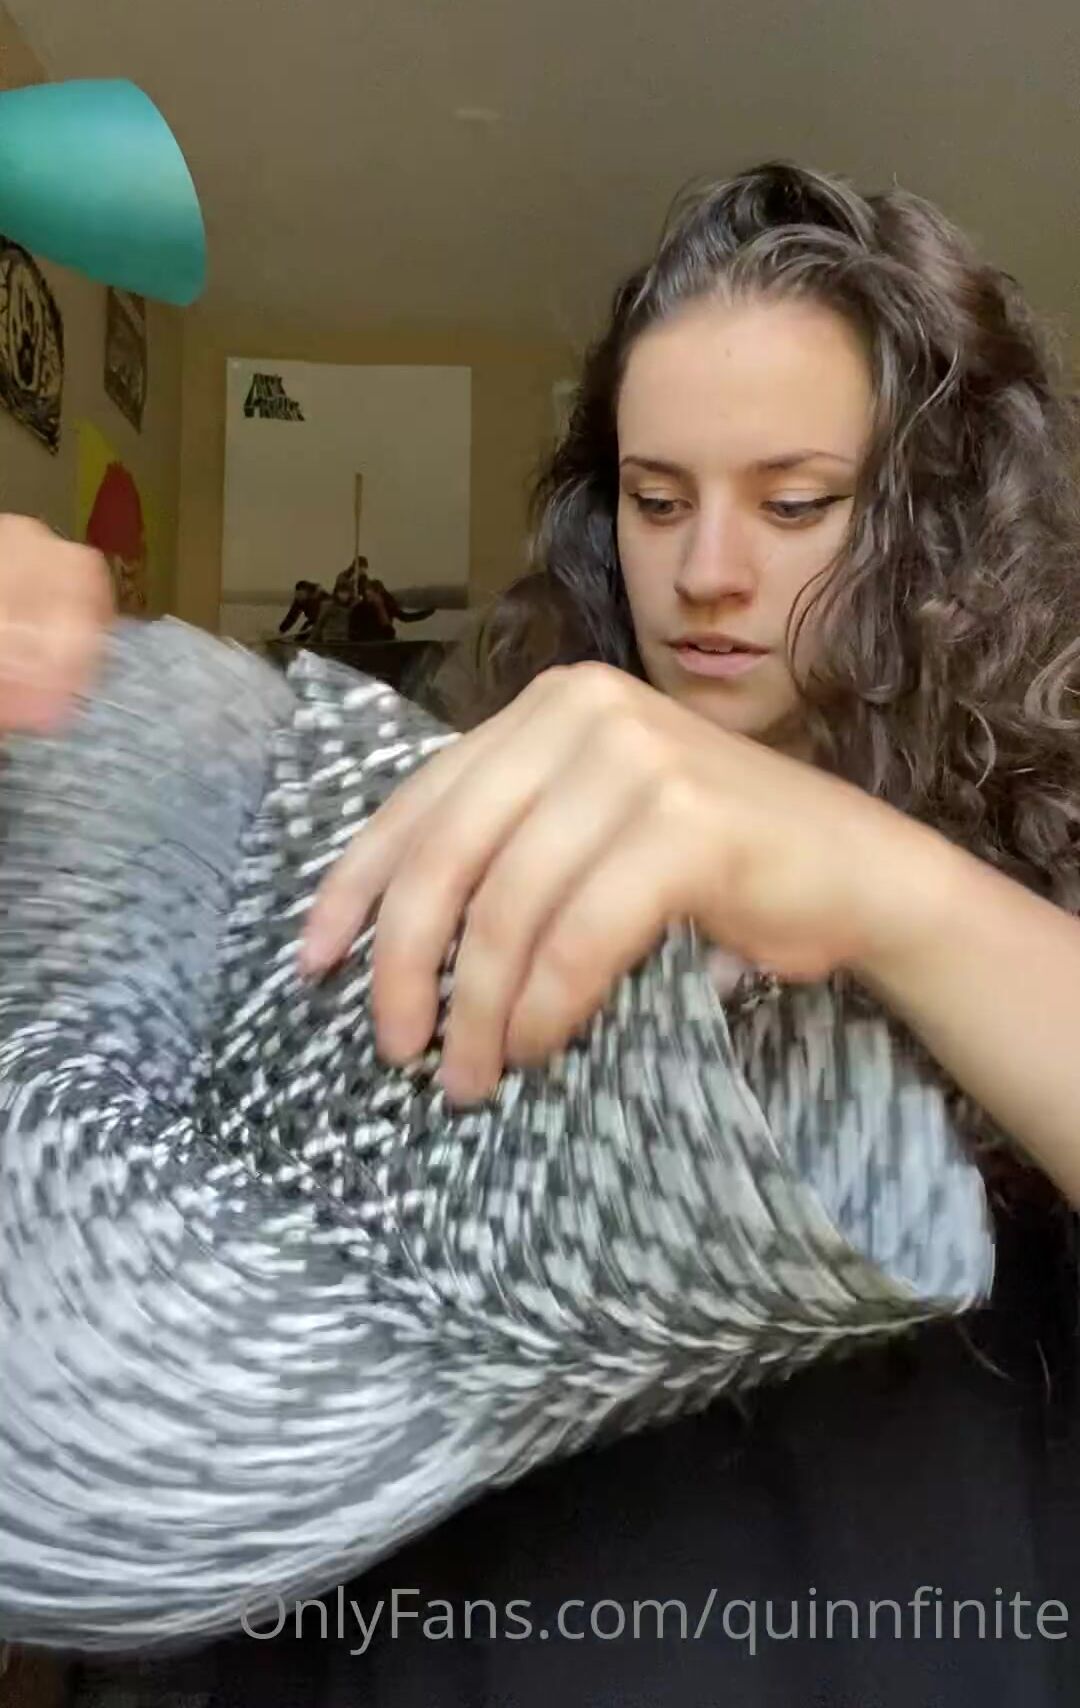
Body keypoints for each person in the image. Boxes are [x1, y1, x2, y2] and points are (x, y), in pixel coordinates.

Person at [3, 161, 1080, 1706]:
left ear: (937, 524)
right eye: (658, 500)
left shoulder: (1033, 882)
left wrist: (880, 881)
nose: (706, 573)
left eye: (795, 504)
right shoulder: (440, 837)